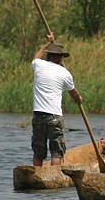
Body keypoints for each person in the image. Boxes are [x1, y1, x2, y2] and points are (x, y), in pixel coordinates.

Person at [31, 32, 82, 167]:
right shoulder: (65, 73)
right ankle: (54, 179)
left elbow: (36, 57)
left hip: (38, 116)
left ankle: (36, 174)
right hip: (54, 117)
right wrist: (79, 99)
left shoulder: (38, 66)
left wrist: (47, 43)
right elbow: (73, 93)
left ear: (49, 55)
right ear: (59, 58)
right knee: (56, 152)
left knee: (38, 151)